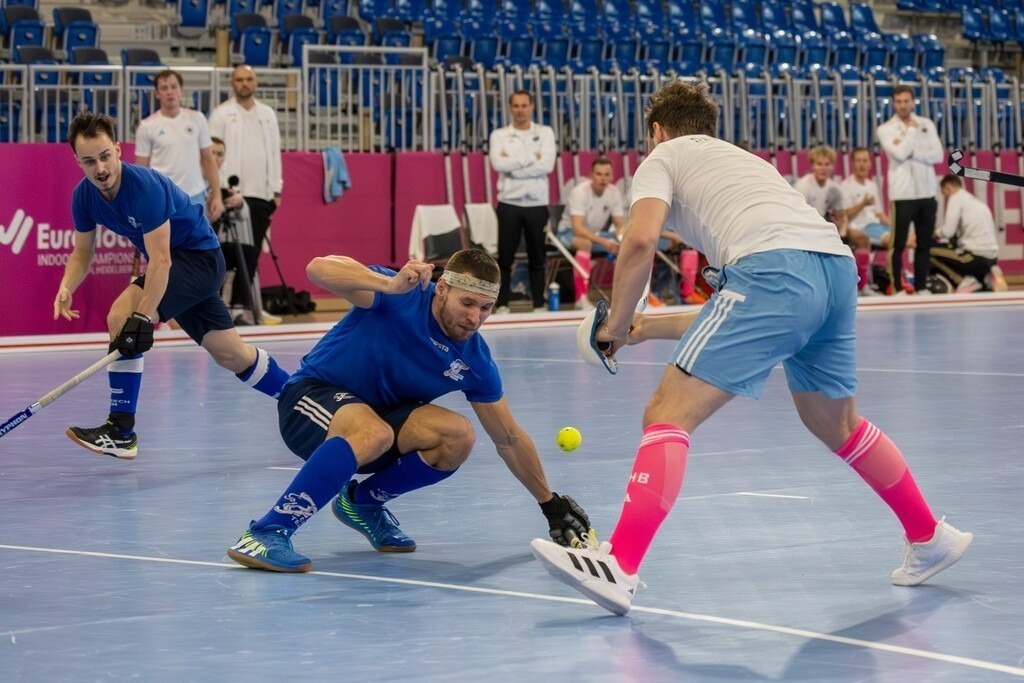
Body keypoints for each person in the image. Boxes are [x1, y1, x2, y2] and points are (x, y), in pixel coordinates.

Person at [530, 81, 972, 616]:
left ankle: (618, 564)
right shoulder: (748, 166)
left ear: (657, 130)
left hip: (774, 273)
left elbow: (641, 242)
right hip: (832, 271)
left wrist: (617, 323)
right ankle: (930, 537)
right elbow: (744, 305)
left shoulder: (664, 155)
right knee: (837, 424)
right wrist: (642, 328)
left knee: (666, 412)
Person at [226, 249, 591, 572]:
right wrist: (384, 284)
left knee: (458, 436)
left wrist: (550, 503)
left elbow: (508, 438)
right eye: (467, 303)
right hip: (311, 400)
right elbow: (317, 268)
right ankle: (267, 531)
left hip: (377, 425)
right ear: (443, 288)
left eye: (485, 308)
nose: (475, 318)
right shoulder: (400, 295)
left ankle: (361, 505)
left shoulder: (474, 359)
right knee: (374, 431)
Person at [56, 112, 290, 460]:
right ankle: (301, 396)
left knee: (122, 317)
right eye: (89, 161)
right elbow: (82, 252)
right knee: (231, 354)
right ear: (78, 161)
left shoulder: (145, 187)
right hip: (180, 267)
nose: (100, 168)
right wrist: (66, 286)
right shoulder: (84, 197)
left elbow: (161, 261)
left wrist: (143, 318)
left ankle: (121, 430)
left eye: (105, 156)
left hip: (199, 259)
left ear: (118, 150)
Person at [208, 65, 283, 323]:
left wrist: (276, 189)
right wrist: (217, 189)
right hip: (229, 192)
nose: (244, 83)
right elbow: (212, 153)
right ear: (232, 83)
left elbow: (274, 152)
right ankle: (214, 307)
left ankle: (240, 309)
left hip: (260, 194)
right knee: (220, 252)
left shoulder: (268, 114)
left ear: (256, 81)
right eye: (239, 79)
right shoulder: (221, 113)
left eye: (249, 78)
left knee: (250, 254)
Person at [488, 90, 557, 314]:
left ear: (531, 107)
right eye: (516, 106)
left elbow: (547, 166)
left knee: (538, 256)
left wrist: (514, 166)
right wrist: (531, 159)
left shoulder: (545, 132)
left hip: (537, 204)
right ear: (510, 108)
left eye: (524, 105)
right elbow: (499, 164)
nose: (520, 110)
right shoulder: (499, 135)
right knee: (505, 257)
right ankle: (502, 303)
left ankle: (539, 303)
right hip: (509, 203)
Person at [876, 85, 944, 295]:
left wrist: (912, 151)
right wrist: (912, 134)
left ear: (913, 101)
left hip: (927, 193)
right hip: (902, 195)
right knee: (898, 244)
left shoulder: (927, 123)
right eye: (899, 102)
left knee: (924, 244)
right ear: (894, 103)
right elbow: (898, 154)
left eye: (906, 101)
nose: (903, 105)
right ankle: (897, 287)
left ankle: (922, 287)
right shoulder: (885, 129)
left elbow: (938, 155)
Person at [134, 69, 224, 224]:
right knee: (162, 248)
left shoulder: (198, 118)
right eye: (164, 88)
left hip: (195, 196)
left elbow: (209, 160)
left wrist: (217, 195)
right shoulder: (147, 126)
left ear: (181, 91)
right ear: (157, 93)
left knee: (198, 247)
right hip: (162, 199)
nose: (170, 92)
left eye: (174, 87)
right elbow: (141, 170)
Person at [795, 145, 875, 295]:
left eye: (827, 164)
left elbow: (840, 215)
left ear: (832, 166)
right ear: (812, 165)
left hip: (823, 226)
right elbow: (796, 216)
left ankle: (862, 286)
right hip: (803, 226)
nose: (823, 168)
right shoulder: (803, 186)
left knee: (860, 239)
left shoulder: (834, 188)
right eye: (819, 164)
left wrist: (842, 234)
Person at [555, 157, 627, 310]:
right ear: (591, 175)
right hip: (567, 233)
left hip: (596, 234)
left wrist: (622, 239)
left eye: (607, 174)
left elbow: (619, 225)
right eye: (599, 174)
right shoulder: (580, 192)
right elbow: (578, 228)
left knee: (629, 244)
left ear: (612, 176)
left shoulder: (614, 192)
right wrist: (605, 242)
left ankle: (625, 297)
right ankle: (581, 298)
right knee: (584, 243)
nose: (603, 178)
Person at [932, 174, 1004, 293]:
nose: (945, 197)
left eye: (944, 193)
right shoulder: (975, 201)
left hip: (974, 257)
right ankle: (986, 277)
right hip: (992, 257)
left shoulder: (955, 198)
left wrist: (933, 234)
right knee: (955, 248)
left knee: (929, 250)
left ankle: (965, 281)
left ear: (948, 188)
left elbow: (948, 232)